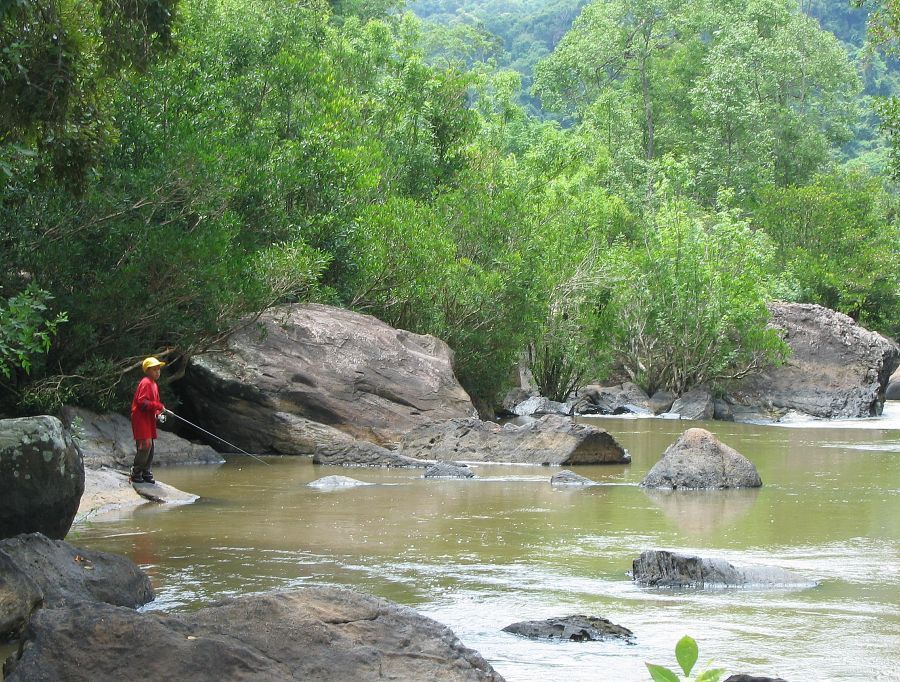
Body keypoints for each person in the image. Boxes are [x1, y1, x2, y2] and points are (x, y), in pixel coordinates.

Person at [130, 357, 166, 484]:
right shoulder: (146, 382)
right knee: (145, 445)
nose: (158, 372)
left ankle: (146, 472)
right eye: (154, 369)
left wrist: (157, 413)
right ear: (148, 370)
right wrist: (158, 406)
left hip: (149, 418)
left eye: (159, 369)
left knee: (150, 446)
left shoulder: (154, 384)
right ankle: (136, 472)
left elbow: (153, 404)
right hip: (140, 417)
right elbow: (142, 402)